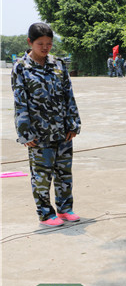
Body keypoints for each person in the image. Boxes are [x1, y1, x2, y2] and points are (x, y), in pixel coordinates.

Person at [11, 22, 81, 226]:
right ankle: (45, 213)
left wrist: (73, 123)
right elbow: (20, 102)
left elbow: (69, 96)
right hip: (38, 133)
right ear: (30, 42)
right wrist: (25, 133)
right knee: (41, 175)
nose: (45, 47)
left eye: (49, 43)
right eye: (40, 43)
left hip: (62, 130)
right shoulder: (21, 67)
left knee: (64, 172)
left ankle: (65, 208)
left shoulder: (58, 64)